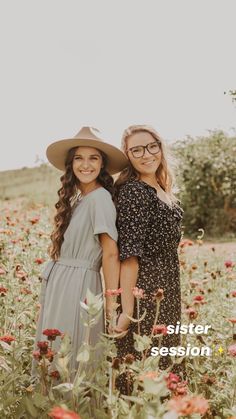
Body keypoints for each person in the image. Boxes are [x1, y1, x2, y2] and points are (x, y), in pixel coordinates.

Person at [32, 126, 128, 379]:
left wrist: (110, 305)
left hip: (80, 286)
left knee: (70, 355)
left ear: (102, 165)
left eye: (93, 158)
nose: (86, 165)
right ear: (70, 164)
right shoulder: (78, 199)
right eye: (79, 158)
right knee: (55, 353)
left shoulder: (100, 199)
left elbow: (110, 253)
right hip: (60, 283)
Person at [114, 124, 184, 394]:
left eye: (152, 146)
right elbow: (129, 256)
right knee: (148, 365)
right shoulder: (134, 192)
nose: (147, 154)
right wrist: (128, 312)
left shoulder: (160, 187)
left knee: (164, 358)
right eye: (137, 149)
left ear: (160, 146)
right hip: (146, 287)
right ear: (128, 155)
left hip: (167, 285)